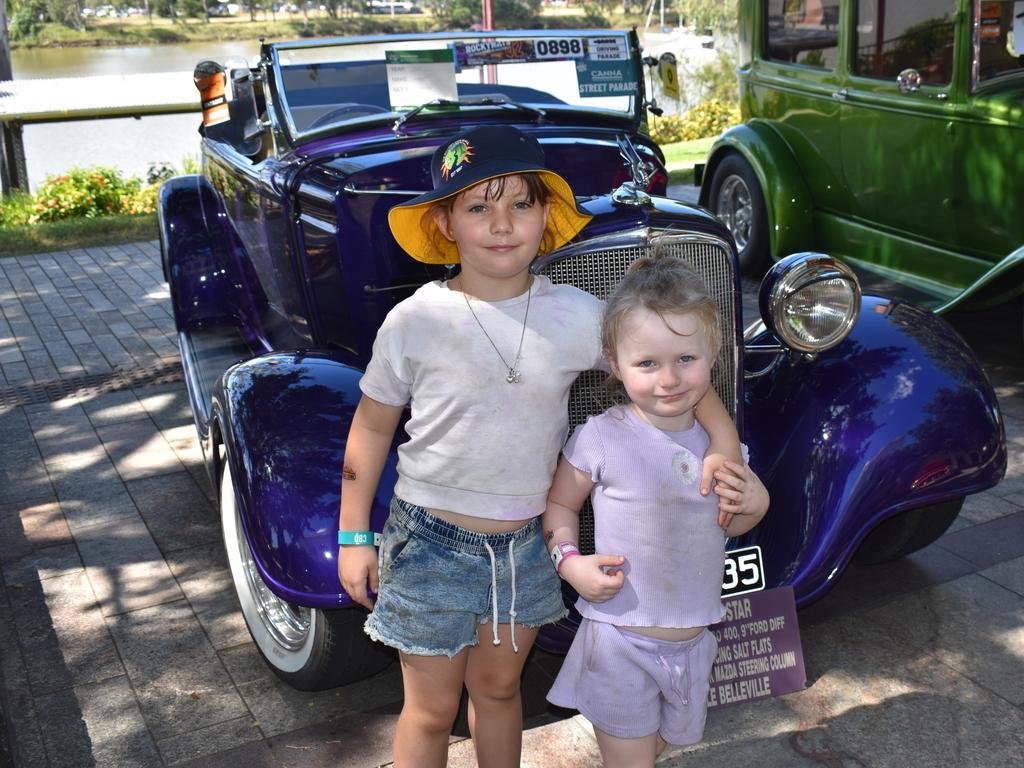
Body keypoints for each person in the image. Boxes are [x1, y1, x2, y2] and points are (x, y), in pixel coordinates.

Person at [336, 125, 743, 768]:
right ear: (445, 222)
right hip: (429, 544)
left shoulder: (579, 315)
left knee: (499, 691)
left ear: (545, 214)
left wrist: (725, 444)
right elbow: (372, 428)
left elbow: (670, 371)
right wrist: (354, 536)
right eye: (478, 206)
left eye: (520, 203)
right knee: (432, 710)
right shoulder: (414, 321)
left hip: (525, 546)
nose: (502, 223)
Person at [545, 256, 770, 768]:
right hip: (619, 642)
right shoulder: (601, 436)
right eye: (647, 363)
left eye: (685, 359)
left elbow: (729, 524)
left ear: (712, 353)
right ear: (615, 362)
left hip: (693, 645)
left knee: (666, 745)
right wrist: (568, 561)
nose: (668, 379)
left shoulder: (723, 450)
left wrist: (757, 506)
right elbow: (560, 503)